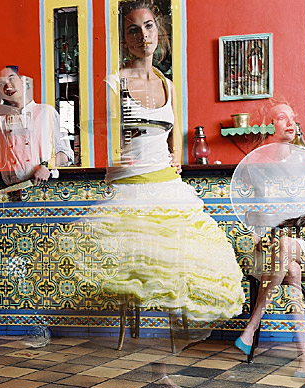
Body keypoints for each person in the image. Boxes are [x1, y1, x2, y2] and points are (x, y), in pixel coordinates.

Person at [90, 0, 244, 330]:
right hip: (130, 190)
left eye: (148, 27)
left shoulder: (167, 84)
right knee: (141, 273)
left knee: (185, 266)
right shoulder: (113, 84)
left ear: (158, 31)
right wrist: (117, 155)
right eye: (133, 30)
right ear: (124, 40)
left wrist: (175, 156)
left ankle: (170, 349)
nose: (142, 36)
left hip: (167, 189)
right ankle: (150, 349)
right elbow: (101, 135)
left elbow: (171, 135)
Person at [234, 101, 305, 378]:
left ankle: (251, 326)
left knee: (284, 245)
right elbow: (252, 212)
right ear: (269, 126)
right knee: (291, 271)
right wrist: (257, 236)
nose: (290, 122)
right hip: (276, 252)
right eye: (282, 117)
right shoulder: (259, 164)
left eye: (293, 117)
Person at [0, 65, 73, 186]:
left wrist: (46, 166)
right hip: (13, 188)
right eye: (1, 83)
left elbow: (66, 154)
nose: (7, 85)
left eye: (11, 78)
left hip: (45, 186)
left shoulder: (47, 112)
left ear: (23, 81)